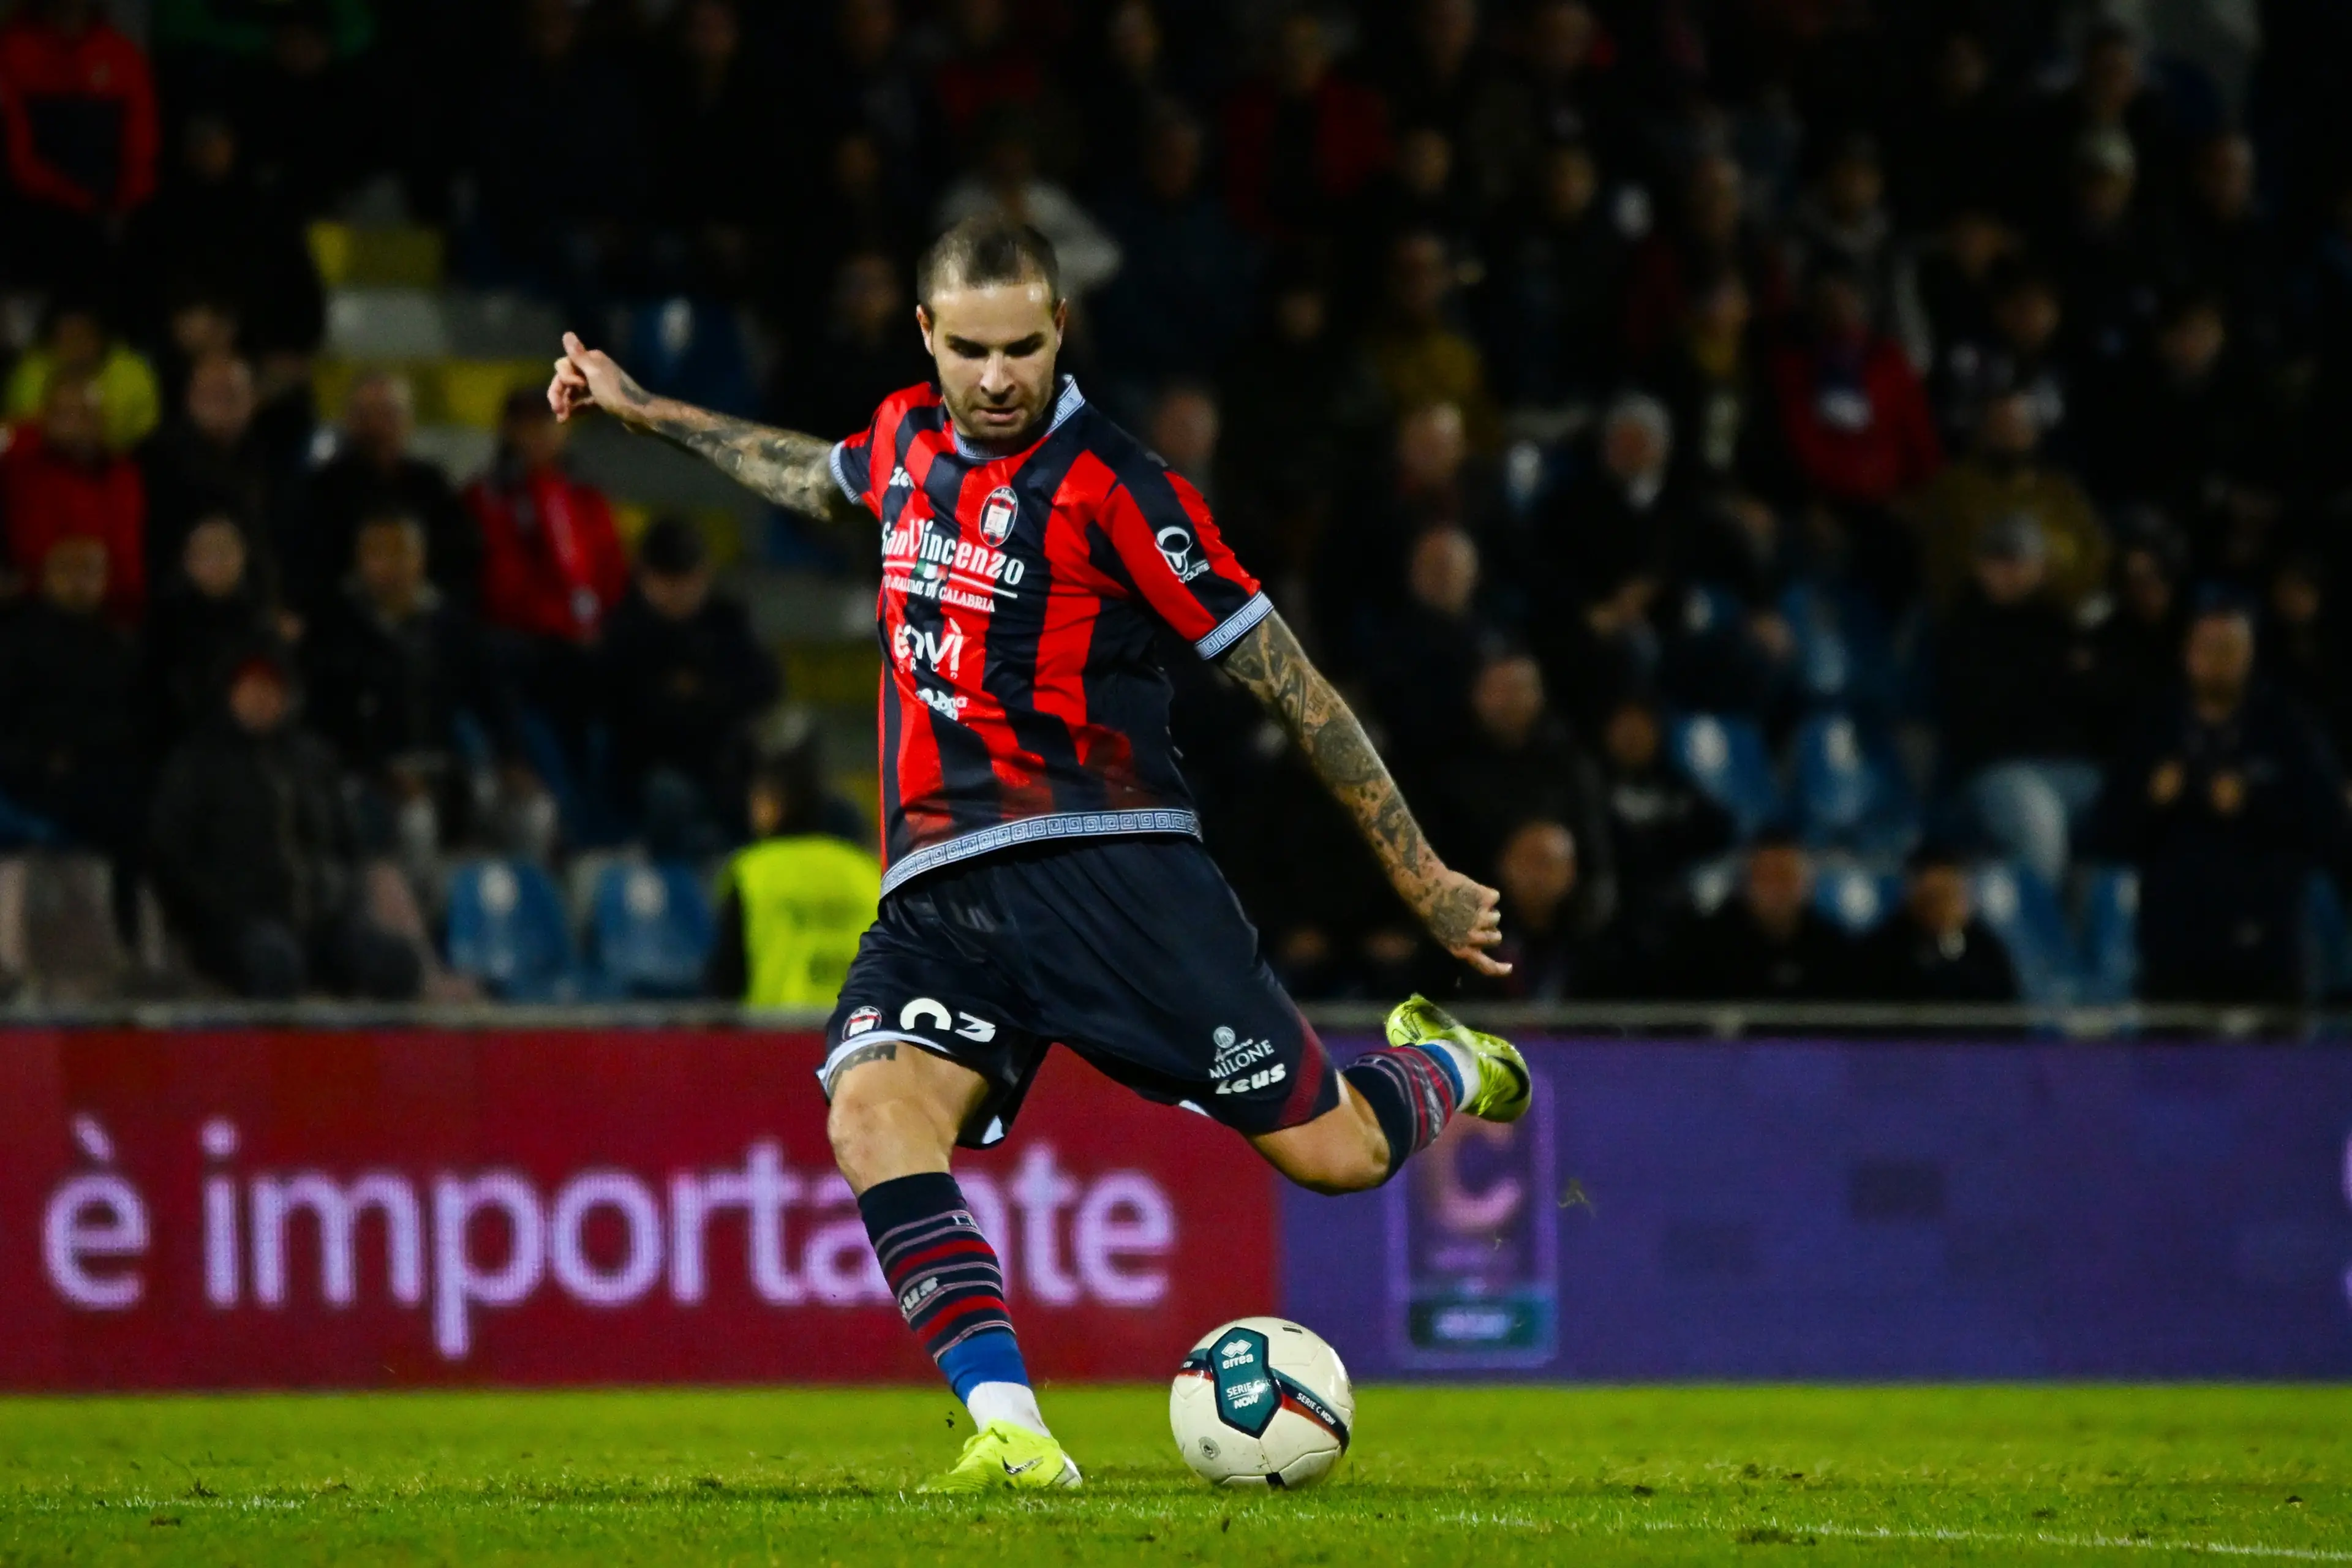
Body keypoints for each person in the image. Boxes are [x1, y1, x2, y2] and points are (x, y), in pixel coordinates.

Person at [549, 216, 1524, 1492]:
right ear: (927, 338)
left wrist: (1424, 874)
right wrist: (643, 411)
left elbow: (1291, 685)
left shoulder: (1123, 489)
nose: (997, 375)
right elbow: (814, 475)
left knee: (1332, 1153)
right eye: (970, 348)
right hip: (939, 889)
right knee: (872, 1110)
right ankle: (1013, 1433)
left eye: (1021, 345)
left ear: (1060, 330)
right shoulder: (902, 435)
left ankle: (1446, 1058)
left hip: (1113, 870)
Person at [2098, 598, 2350, 1003]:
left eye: (2229, 649)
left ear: (2250, 654)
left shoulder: (2287, 727)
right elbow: (2108, 833)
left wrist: (2255, 803)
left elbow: (2329, 824)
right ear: (2186, 653)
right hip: (2174, 936)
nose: (2216, 660)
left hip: (2266, 928)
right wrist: (2152, 802)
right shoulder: (2153, 727)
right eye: (2206, 648)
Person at [148, 651, 424, 1001]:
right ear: (230, 694)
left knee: (398, 962)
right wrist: (219, 911)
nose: (262, 698)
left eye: (272, 689)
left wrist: (343, 899)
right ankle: (267, 1055)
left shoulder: (313, 759)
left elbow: (348, 845)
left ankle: (382, 1056)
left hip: (322, 922)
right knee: (275, 959)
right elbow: (172, 856)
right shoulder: (197, 764)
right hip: (235, 927)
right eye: (252, 688)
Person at [594, 516, 780, 856]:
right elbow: (637, 715)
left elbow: (765, 685)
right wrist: (712, 697)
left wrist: (699, 697)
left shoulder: (725, 621)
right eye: (671, 580)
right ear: (646, 578)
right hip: (651, 772)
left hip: (724, 764)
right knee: (670, 796)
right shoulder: (625, 632)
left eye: (691, 578)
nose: (682, 591)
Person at [706, 742, 884, 1007]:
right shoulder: (868, 871)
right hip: (860, 1034)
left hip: (775, 1038)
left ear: (775, 802)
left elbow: (726, 978)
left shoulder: (752, 871)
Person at [0, 536, 143, 856]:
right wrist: (38, 761)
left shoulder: (117, 645)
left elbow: (131, 716)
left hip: (106, 783)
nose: (82, 581)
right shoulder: (19, 642)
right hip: (37, 787)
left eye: (92, 571)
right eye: (71, 570)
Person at [296, 371, 481, 617]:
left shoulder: (430, 482)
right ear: (350, 420)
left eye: (387, 414)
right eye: (366, 415)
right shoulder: (324, 487)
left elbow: (458, 554)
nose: (377, 426)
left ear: (407, 420)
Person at [1, 373, 146, 621]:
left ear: (101, 419)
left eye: (84, 414)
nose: (74, 424)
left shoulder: (122, 476)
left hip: (105, 613)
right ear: (44, 416)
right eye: (62, 413)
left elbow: (127, 561)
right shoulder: (20, 459)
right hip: (29, 608)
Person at [1675, 831, 1855, 1001]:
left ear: (1806, 884)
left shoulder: (1831, 947)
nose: (1775, 889)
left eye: (1785, 877)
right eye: (1765, 877)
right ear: (1746, 884)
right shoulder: (1709, 947)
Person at [1850, 844, 2019, 1006]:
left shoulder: (1985, 950)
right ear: (1913, 896)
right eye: (1934, 899)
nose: (1942, 909)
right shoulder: (1883, 948)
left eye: (1950, 897)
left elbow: (2004, 1015)